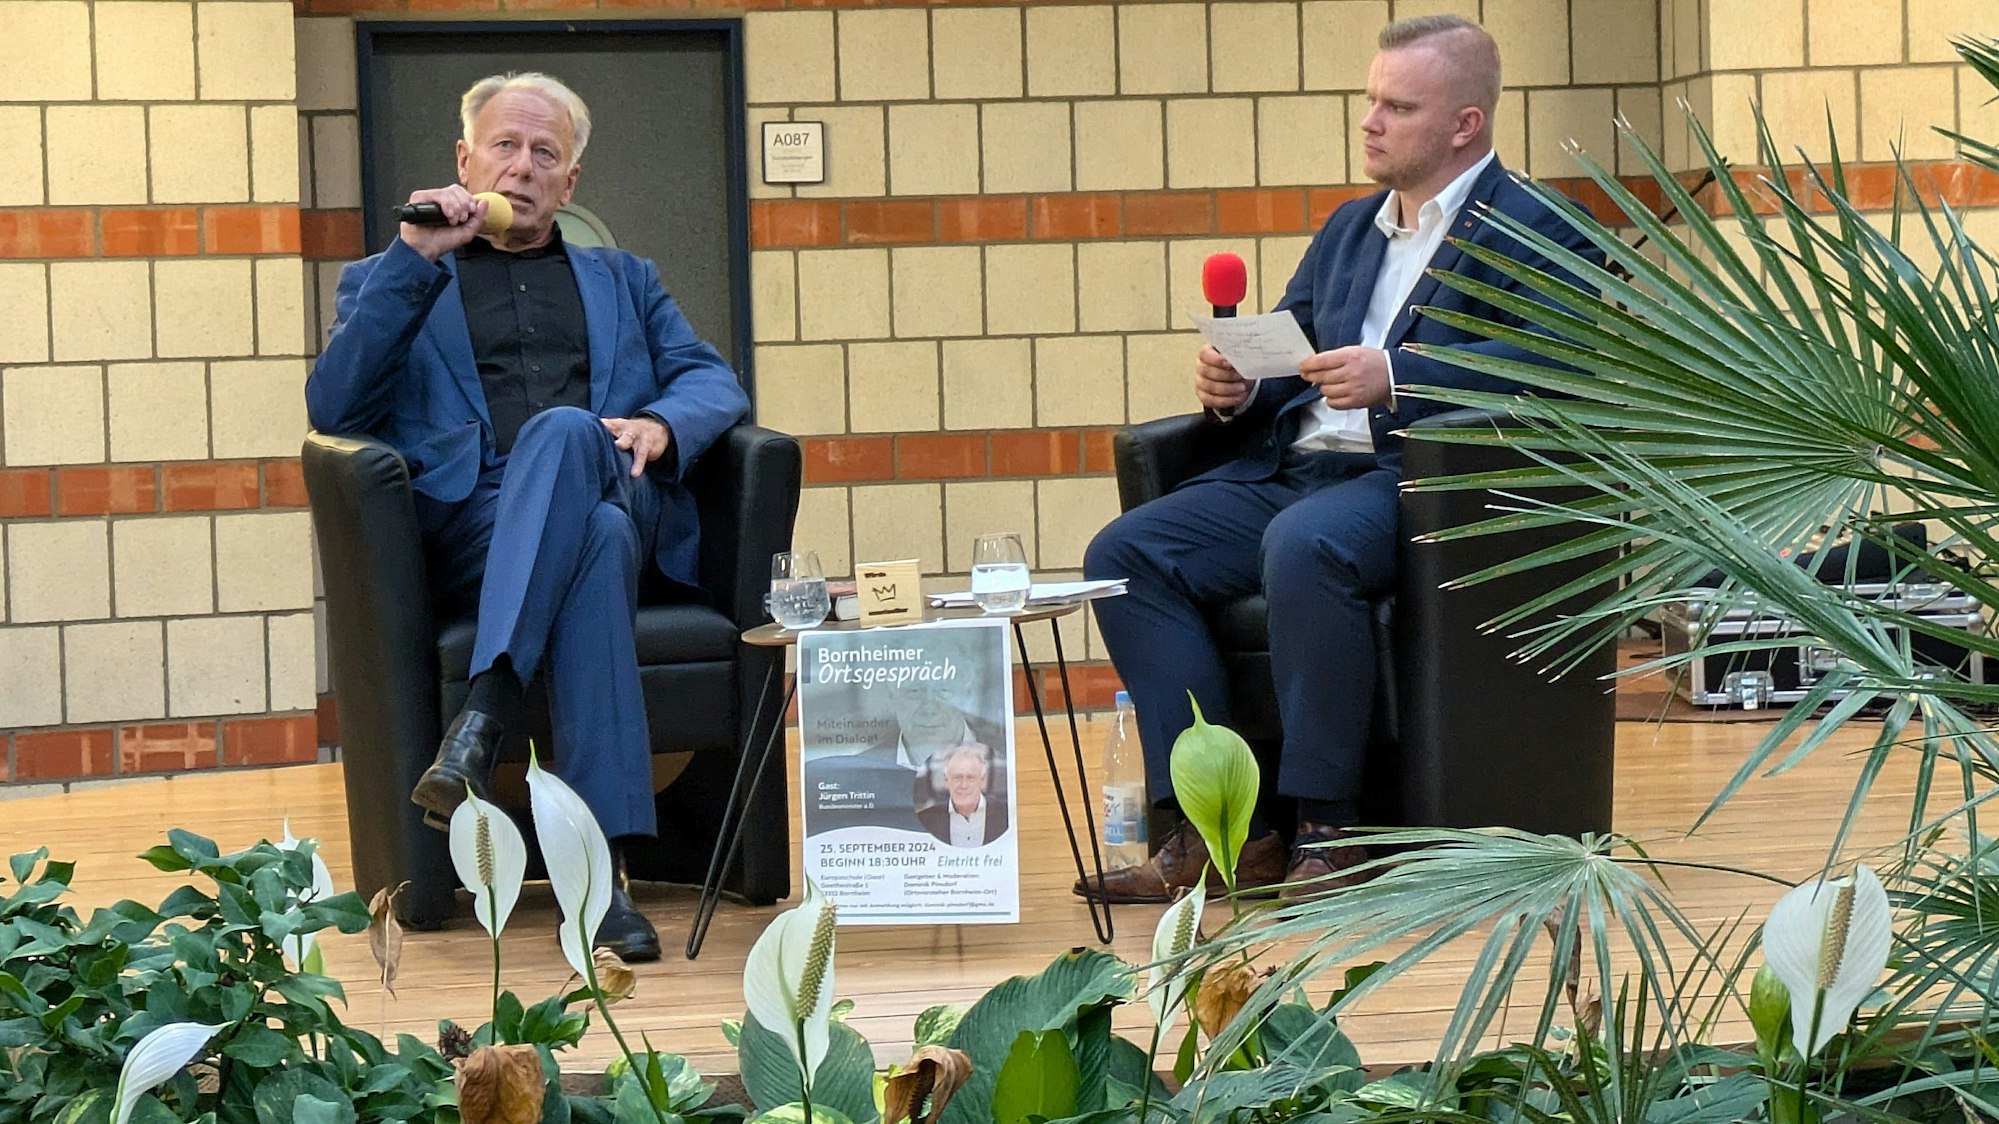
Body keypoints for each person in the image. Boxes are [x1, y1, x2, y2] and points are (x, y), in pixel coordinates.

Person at [1081, 15, 1602, 903]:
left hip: (1419, 481)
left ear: (1463, 125)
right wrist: (1241, 387)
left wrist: (1397, 375)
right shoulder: (1349, 228)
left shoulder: (1541, 228)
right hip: (1300, 466)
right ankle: (1218, 832)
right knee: (1124, 556)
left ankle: (1329, 829)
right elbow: (1297, 350)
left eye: (1396, 107)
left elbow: (1549, 369)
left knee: (1304, 543)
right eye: (1369, 101)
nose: (1369, 121)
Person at [306, 72, 749, 960]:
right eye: (504, 146)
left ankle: (481, 718)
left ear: (570, 182)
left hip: (608, 480)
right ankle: (602, 879)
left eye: (545, 153)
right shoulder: (395, 275)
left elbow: (713, 380)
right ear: (464, 161)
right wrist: (412, 259)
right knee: (599, 537)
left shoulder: (624, 279)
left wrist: (662, 423)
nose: (522, 167)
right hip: (474, 533)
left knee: (565, 443)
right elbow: (336, 406)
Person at [916, 744, 1011, 848]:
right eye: (957, 778)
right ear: (946, 781)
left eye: (971, 778)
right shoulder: (926, 819)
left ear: (983, 781)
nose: (964, 785)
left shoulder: (1008, 815)